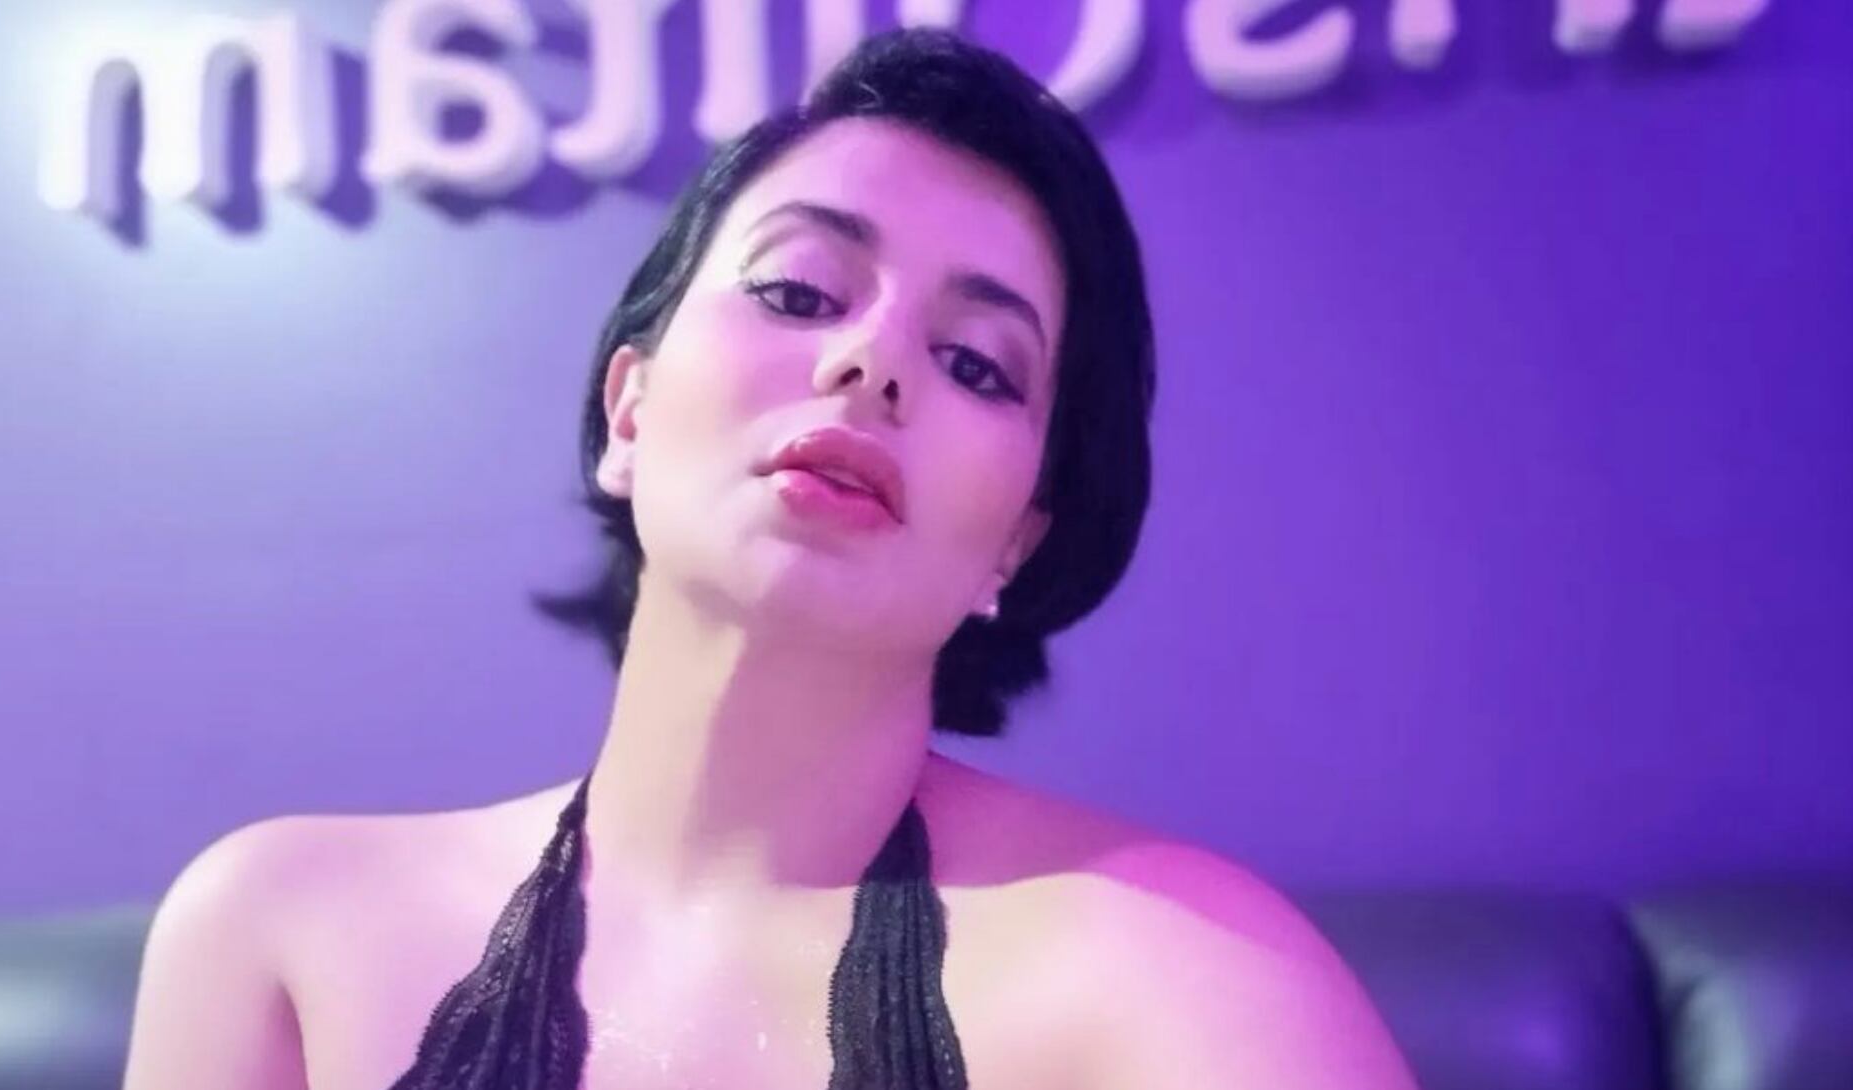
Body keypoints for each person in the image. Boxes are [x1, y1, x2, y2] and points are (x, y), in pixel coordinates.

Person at [122, 26, 1418, 1090]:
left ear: (1016, 541)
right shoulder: (281, 934)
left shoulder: (1180, 979)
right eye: (799, 291)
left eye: (976, 364)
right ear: (630, 409)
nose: (871, 361)